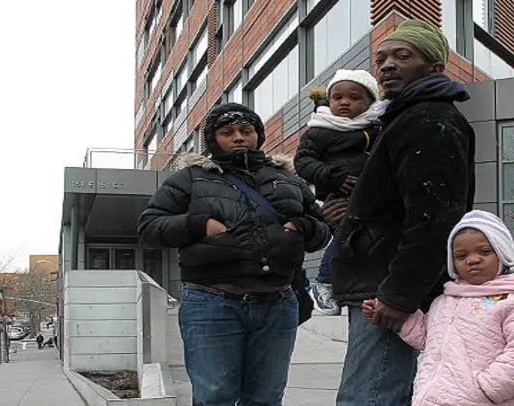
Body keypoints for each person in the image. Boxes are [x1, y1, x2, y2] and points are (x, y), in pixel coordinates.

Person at [137, 103, 330, 405]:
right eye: (227, 132)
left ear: (258, 135)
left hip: (277, 303)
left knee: (266, 398)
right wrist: (198, 223)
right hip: (210, 303)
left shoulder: (288, 179)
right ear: (213, 139)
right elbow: (149, 226)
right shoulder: (190, 178)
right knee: (215, 397)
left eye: (246, 130)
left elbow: (322, 228)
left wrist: (302, 226)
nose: (238, 137)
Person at [329, 19, 476, 405]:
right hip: (380, 283)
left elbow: (435, 218)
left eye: (402, 56)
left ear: (434, 67)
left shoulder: (429, 119)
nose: (387, 65)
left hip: (385, 288)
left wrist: (399, 295)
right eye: (381, 59)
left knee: (367, 398)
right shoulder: (403, 119)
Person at [362, 210, 514, 405]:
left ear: (502, 254)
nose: (473, 260)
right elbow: (429, 337)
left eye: (484, 251)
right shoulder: (445, 300)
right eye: (461, 255)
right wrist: (397, 318)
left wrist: (488, 388)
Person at [294, 69, 381, 316]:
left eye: (355, 98)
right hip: (339, 196)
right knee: (347, 233)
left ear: (370, 102)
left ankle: (346, 283)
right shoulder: (320, 129)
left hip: (371, 196)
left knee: (363, 241)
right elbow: (303, 162)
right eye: (338, 97)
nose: (344, 102)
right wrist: (332, 177)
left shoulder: (377, 127)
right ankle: (324, 281)